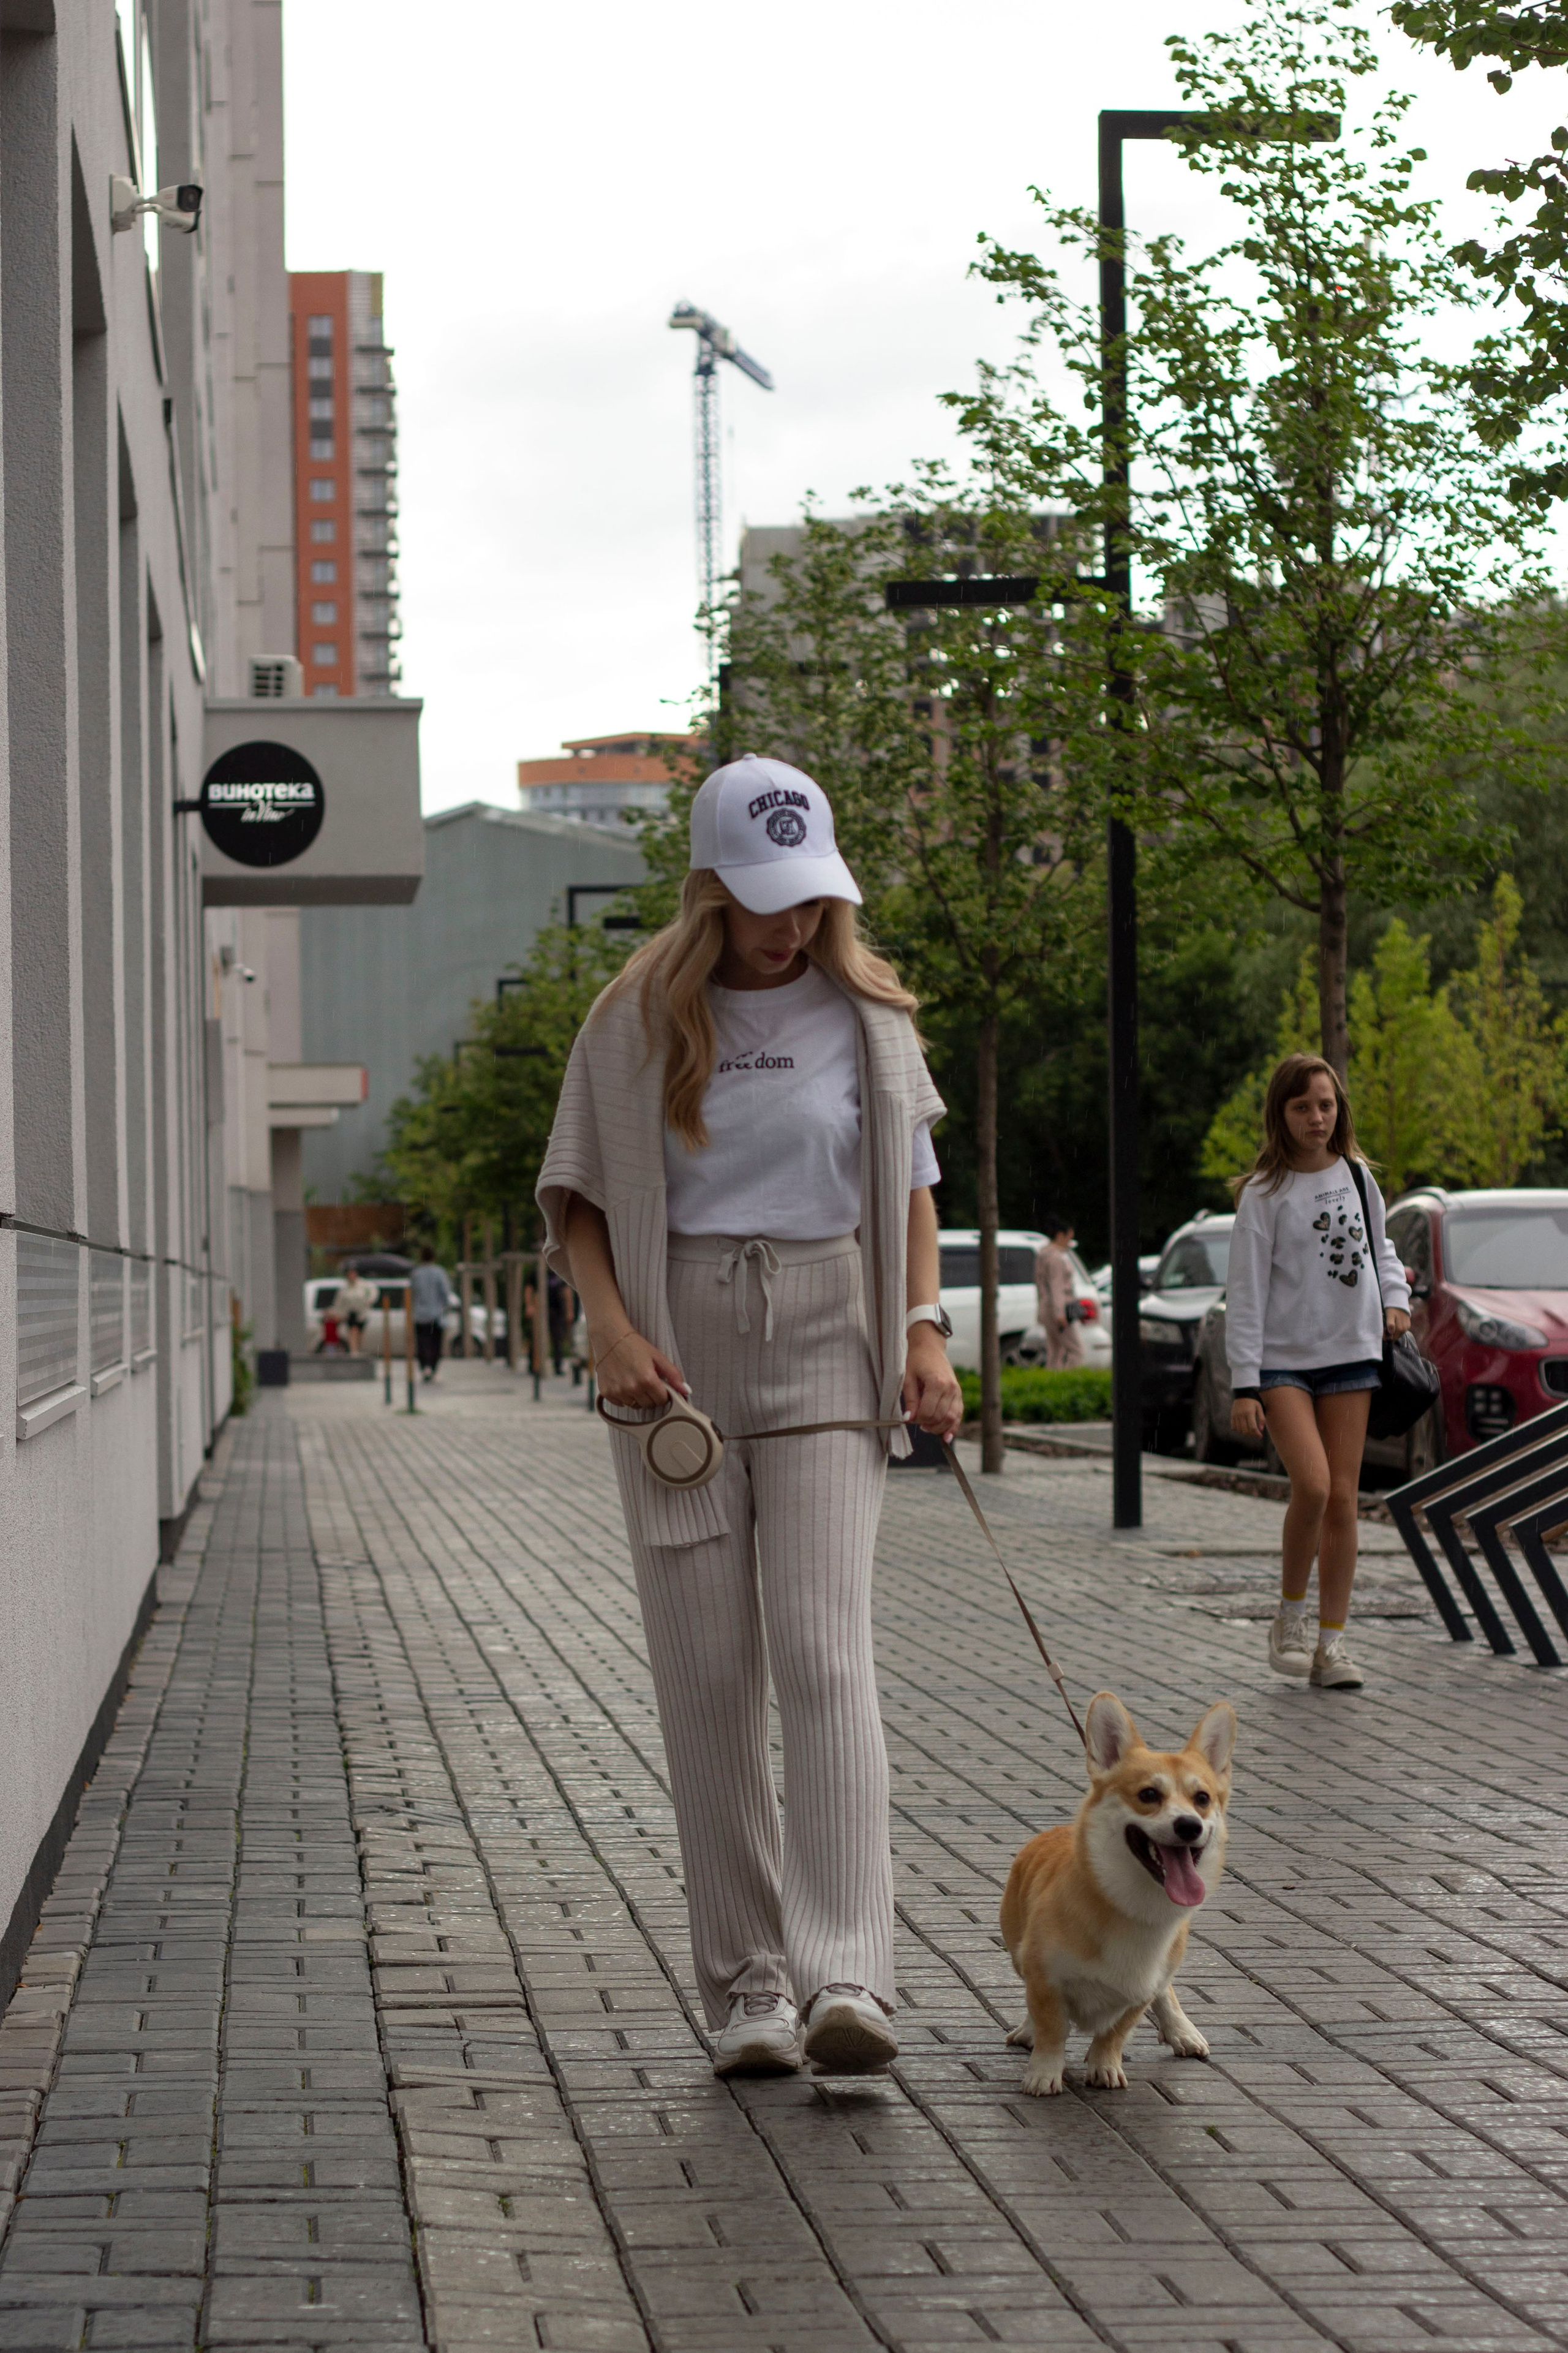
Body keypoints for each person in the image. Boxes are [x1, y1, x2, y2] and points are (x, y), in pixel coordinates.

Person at [538, 752, 963, 2083]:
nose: (793, 922)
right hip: (676, 1356)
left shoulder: (872, 1019)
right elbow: (576, 1198)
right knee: (709, 1680)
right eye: (768, 898)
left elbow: (912, 1192)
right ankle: (748, 1989)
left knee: (824, 1655)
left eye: (811, 895)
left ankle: (848, 1975)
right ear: (711, 887)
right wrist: (610, 1329)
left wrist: (924, 1330)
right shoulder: (631, 1020)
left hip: (832, 1335)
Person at [1226, 1053, 1411, 1692]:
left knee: (1343, 1498)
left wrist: (1396, 1301)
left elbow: (1383, 1250)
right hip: (1282, 1362)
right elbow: (1245, 1292)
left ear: (1339, 1108)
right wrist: (1244, 1383)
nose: (1316, 1117)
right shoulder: (1263, 1193)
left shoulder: (1357, 1176)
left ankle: (1332, 1645)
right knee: (1311, 1485)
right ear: (1280, 1113)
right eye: (1302, 1106)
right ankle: (1290, 1617)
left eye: (1326, 1104)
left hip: (1352, 1354)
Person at [1034, 1215, 1084, 1369]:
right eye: (1069, 1238)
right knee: (1076, 1351)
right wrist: (1060, 1313)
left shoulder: (1043, 1255)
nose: (1070, 1242)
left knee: (1055, 1351)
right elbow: (1057, 1287)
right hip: (1058, 1309)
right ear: (1061, 1235)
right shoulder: (1056, 1258)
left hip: (1046, 1307)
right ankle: (1071, 1380)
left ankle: (1052, 1380)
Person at [409, 1245, 454, 1381]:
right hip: (436, 1315)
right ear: (434, 1257)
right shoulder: (439, 1272)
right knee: (435, 1342)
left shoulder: (416, 1274)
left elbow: (412, 1294)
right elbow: (446, 1293)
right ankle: (433, 1367)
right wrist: (445, 1307)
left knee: (422, 1342)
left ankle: (425, 1366)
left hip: (420, 1315)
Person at [334, 1264, 378, 1356]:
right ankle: (354, 1352)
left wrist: (369, 1301)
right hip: (350, 1313)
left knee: (360, 1334)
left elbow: (373, 1293)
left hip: (362, 1314)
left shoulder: (364, 1285)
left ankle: (358, 1350)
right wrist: (339, 1313)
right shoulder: (345, 1288)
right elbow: (339, 1302)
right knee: (353, 1331)